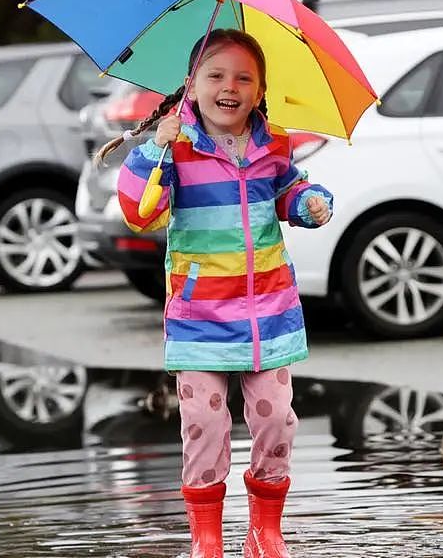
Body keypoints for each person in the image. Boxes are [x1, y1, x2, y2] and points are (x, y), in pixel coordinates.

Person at [94, 28, 333, 558]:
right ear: (191, 86)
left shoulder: (273, 144)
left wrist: (310, 201)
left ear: (261, 89)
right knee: (203, 423)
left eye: (244, 78)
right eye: (216, 75)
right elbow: (140, 213)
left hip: (268, 312)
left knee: (275, 419)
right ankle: (206, 536)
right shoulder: (176, 148)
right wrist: (155, 150)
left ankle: (265, 530)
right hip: (200, 315)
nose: (230, 87)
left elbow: (289, 188)